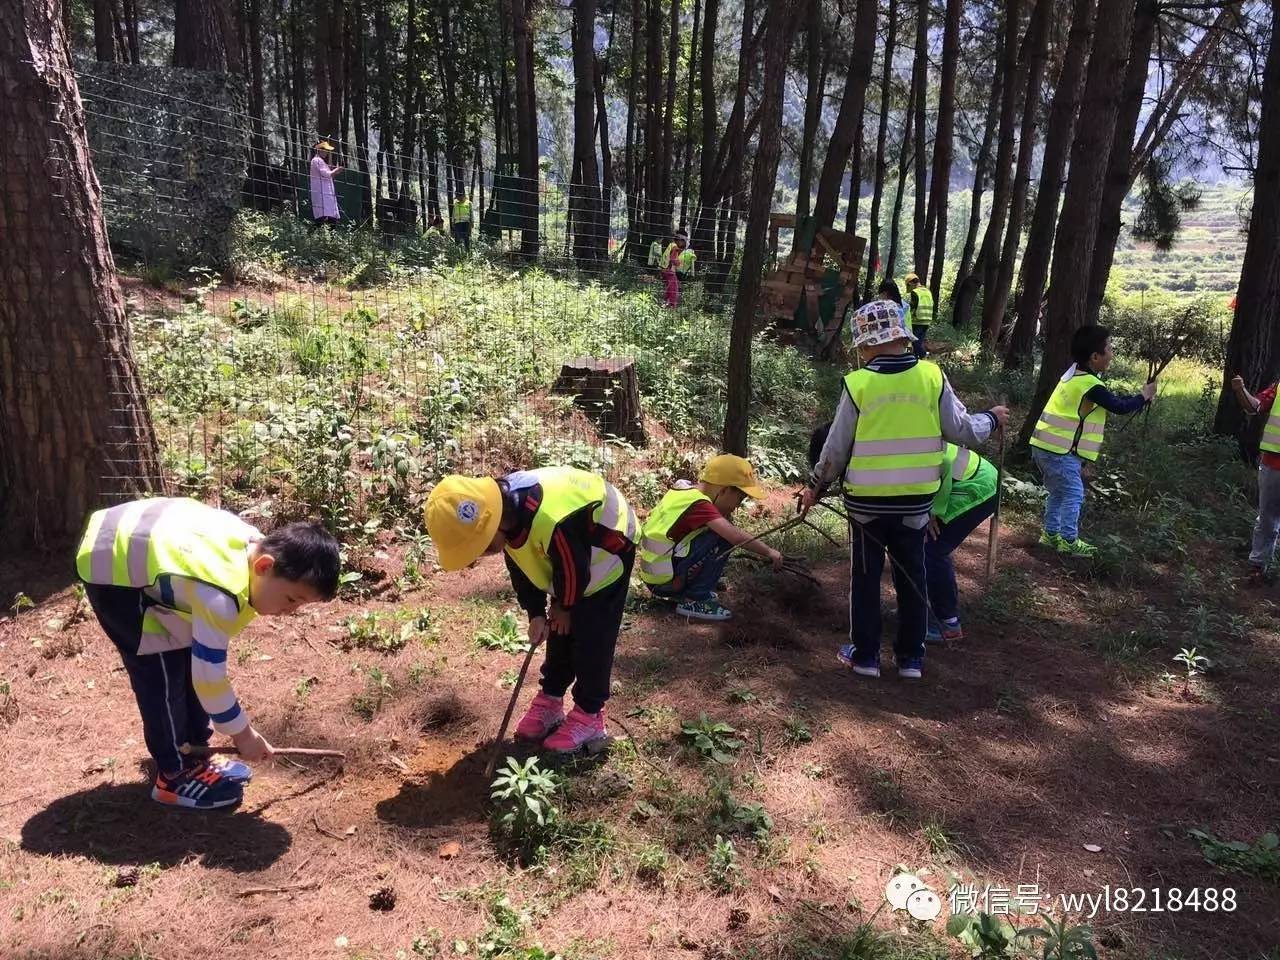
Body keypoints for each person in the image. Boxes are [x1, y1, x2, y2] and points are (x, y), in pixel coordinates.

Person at [76, 498, 340, 809]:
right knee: (159, 669)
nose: (291, 611)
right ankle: (173, 775)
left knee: (185, 653)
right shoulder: (219, 595)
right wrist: (244, 735)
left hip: (149, 545)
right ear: (264, 566)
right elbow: (209, 680)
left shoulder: (254, 551)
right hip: (112, 564)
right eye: (291, 599)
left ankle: (195, 752)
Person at [800, 300, 1007, 680]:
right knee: (912, 576)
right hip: (915, 504)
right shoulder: (931, 377)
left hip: (865, 505)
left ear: (864, 345)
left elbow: (835, 447)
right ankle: (911, 659)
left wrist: (816, 486)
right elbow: (962, 431)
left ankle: (865, 657)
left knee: (865, 578)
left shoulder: (858, 384)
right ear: (903, 337)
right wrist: (991, 419)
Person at [425, 467, 637, 754]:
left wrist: (564, 605)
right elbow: (522, 566)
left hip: (607, 551)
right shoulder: (508, 514)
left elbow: (574, 567)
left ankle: (590, 714)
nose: (480, 556)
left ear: (491, 526)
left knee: (592, 637)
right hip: (571, 562)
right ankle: (551, 697)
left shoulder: (551, 519)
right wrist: (537, 612)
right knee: (560, 629)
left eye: (481, 548)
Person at [1029, 325, 1155, 558]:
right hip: (1060, 451)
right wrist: (1144, 396)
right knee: (1074, 493)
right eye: (1109, 348)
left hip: (1045, 446)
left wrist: (1139, 398)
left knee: (1058, 492)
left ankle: (1050, 534)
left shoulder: (1075, 375)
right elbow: (1119, 407)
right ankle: (1068, 540)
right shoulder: (1090, 384)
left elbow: (1112, 401)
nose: (1112, 354)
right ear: (1095, 357)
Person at [639, 455, 782, 621]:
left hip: (656, 577)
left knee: (715, 534)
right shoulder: (700, 505)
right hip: (665, 583)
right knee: (723, 537)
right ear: (724, 490)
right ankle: (696, 599)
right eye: (740, 498)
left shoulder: (683, 492)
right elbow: (735, 536)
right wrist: (769, 551)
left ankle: (690, 590)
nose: (737, 506)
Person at [924, 443, 999, 642]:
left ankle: (948, 622)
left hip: (977, 483)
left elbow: (945, 462)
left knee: (932, 548)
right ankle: (918, 605)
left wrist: (932, 511)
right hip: (953, 480)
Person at [1229, 373, 1280, 574]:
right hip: (1273, 463)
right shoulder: (1278, 387)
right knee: (1267, 518)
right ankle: (1258, 567)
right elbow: (1254, 406)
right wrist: (1240, 390)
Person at [309, 140, 343, 227]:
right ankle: (310, 236)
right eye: (325, 150)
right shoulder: (317, 160)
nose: (327, 152)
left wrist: (334, 171)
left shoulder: (321, 161)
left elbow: (328, 172)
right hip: (322, 194)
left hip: (326, 194)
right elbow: (327, 174)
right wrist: (336, 170)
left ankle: (330, 239)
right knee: (321, 219)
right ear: (320, 150)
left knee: (330, 218)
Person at [904, 272, 934, 359]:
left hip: (917, 321)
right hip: (927, 321)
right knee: (919, 342)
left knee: (914, 342)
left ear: (910, 283)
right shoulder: (927, 291)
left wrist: (906, 313)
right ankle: (917, 359)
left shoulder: (915, 292)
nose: (908, 288)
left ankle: (923, 355)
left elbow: (913, 306)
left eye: (908, 286)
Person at [660, 230, 688, 308]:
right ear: (679, 240)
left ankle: (666, 302)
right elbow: (673, 259)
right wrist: (679, 263)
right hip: (669, 271)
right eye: (683, 241)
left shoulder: (671, 245)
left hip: (664, 270)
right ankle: (672, 306)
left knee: (670, 287)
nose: (683, 243)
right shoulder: (675, 247)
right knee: (674, 289)